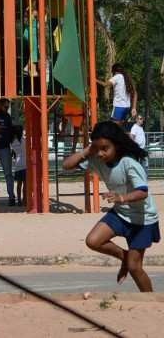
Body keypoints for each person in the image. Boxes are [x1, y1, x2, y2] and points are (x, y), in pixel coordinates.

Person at [63, 120, 158, 292]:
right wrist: (87, 150)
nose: (100, 153)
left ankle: (150, 300)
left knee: (135, 268)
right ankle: (125, 256)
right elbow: (66, 165)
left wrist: (121, 197)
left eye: (105, 148)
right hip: (121, 214)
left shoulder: (129, 163)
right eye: (97, 148)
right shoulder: (96, 160)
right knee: (93, 241)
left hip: (142, 218)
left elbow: (143, 191)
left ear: (116, 145)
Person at [10, 125, 26, 206]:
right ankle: (25, 200)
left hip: (17, 164)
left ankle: (19, 200)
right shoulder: (24, 141)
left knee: (19, 184)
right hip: (25, 164)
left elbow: (13, 154)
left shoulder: (12, 142)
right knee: (25, 184)